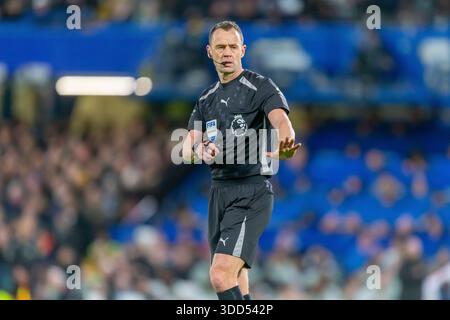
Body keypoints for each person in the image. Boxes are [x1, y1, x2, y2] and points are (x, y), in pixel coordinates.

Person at [182, 20, 300, 300]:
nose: (227, 52)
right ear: (209, 51)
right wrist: (200, 150)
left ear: (242, 50)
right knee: (236, 277)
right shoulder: (205, 99)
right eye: (220, 46)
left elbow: (282, 121)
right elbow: (187, 147)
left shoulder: (259, 87)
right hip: (219, 193)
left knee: (220, 275)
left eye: (233, 46)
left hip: (251, 191)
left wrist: (284, 142)